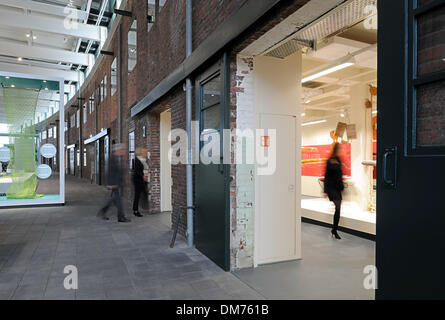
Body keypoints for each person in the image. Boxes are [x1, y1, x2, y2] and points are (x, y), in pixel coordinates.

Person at [97, 143, 131, 223]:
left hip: (117, 183)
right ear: (118, 150)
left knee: (114, 200)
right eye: (122, 150)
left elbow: (118, 172)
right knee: (118, 201)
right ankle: (121, 217)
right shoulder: (112, 159)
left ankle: (103, 211)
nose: (124, 151)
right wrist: (110, 183)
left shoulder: (118, 158)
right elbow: (109, 172)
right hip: (114, 183)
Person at [323, 142, 344, 240]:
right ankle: (334, 230)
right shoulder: (329, 160)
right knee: (338, 206)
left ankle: (334, 229)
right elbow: (326, 176)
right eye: (339, 148)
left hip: (338, 187)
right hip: (331, 188)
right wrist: (325, 190)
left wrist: (342, 187)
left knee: (338, 209)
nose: (341, 150)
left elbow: (340, 174)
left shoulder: (338, 159)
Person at [132, 147, 148, 217]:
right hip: (138, 180)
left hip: (141, 180)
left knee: (143, 193)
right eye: (144, 152)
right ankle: (136, 210)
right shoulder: (138, 160)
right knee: (138, 195)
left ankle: (143, 207)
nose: (146, 154)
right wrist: (143, 176)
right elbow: (137, 171)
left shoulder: (143, 160)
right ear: (141, 153)